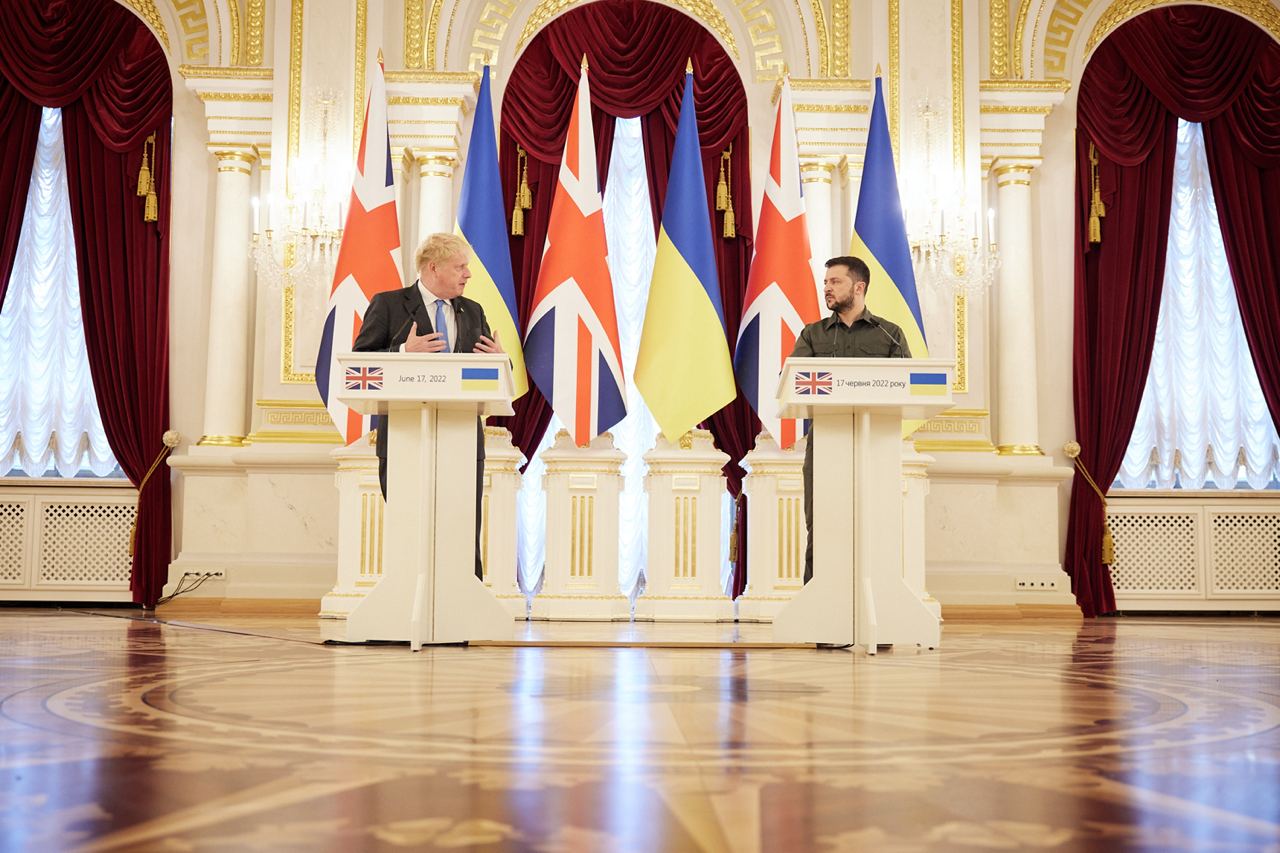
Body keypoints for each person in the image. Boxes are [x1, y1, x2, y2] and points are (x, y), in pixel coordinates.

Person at [352, 233, 504, 581]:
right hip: (406, 438)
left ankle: (464, 598)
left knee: (462, 527)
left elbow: (489, 379)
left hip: (462, 439)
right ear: (433, 268)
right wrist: (403, 353)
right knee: (410, 527)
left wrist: (499, 362)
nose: (468, 274)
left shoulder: (473, 311)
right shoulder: (389, 305)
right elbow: (359, 364)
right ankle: (407, 594)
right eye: (460, 267)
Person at [791, 255, 911, 583]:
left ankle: (878, 601)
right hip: (825, 448)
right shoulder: (813, 335)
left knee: (877, 526)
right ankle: (820, 608)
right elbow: (793, 384)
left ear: (859, 287)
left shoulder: (889, 335)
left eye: (835, 281)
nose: (827, 288)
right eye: (825, 282)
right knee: (821, 528)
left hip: (876, 447)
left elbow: (908, 387)